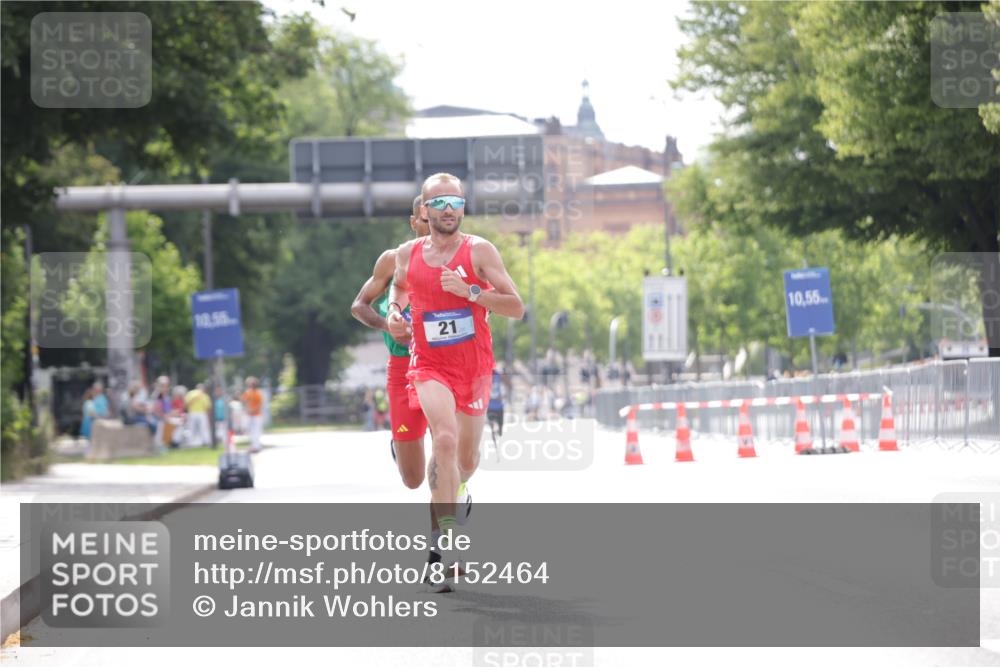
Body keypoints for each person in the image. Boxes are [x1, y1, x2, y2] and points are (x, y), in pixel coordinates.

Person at [387, 172, 524, 592]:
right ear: (424, 211)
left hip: (474, 368)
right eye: (440, 202)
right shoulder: (407, 255)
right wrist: (395, 313)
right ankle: (444, 547)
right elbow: (397, 288)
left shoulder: (479, 251)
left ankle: (456, 490)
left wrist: (471, 293)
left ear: (464, 207)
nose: (449, 210)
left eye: (456, 202)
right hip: (428, 365)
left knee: (465, 460)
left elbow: (516, 307)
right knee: (442, 441)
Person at [241, 377, 264, 453]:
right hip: (249, 414)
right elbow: (244, 402)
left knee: (256, 431)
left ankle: (256, 446)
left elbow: (259, 405)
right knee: (251, 431)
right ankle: (253, 446)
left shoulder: (258, 393)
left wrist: (252, 410)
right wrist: (248, 410)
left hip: (256, 414)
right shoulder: (247, 393)